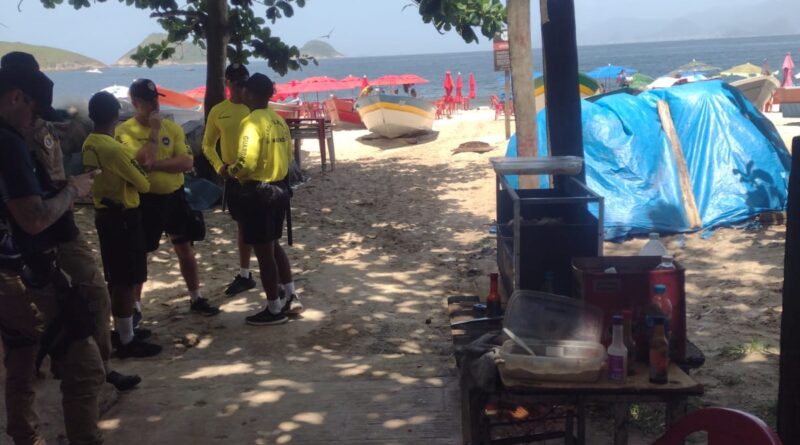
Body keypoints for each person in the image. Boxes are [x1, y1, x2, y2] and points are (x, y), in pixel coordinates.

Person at [1, 50, 143, 388]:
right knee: (92, 298)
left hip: (46, 226)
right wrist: (73, 190)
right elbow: (35, 191)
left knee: (48, 311)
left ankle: (56, 364)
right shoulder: (16, 135)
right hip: (49, 228)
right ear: (18, 92)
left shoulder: (34, 124)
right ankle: (96, 370)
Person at [0, 64, 104, 445]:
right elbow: (34, 219)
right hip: (24, 272)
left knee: (22, 360)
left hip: (9, 275)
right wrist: (73, 189)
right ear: (16, 97)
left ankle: (25, 436)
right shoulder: (8, 142)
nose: (36, 122)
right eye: (35, 112)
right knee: (85, 366)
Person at [115, 79, 220, 321]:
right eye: (148, 100)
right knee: (139, 254)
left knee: (185, 249)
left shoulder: (172, 128)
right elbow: (140, 162)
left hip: (174, 198)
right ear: (135, 103)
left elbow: (186, 162)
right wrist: (153, 132)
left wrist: (158, 165)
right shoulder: (125, 131)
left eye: (156, 99)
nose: (154, 104)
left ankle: (196, 297)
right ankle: (136, 308)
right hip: (144, 201)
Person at [84, 91, 163, 359]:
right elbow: (143, 181)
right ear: (116, 115)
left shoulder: (90, 143)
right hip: (123, 216)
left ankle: (119, 329)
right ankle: (126, 339)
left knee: (116, 278)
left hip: (104, 213)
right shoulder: (113, 147)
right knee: (128, 280)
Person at [231, 73, 303, 326]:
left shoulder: (251, 122)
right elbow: (288, 155)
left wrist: (231, 171)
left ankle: (274, 308)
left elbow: (246, 162)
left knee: (264, 253)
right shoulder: (278, 120)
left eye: (244, 91)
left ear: (250, 94)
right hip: (280, 189)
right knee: (274, 246)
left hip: (258, 191)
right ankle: (291, 293)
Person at [201, 63, 257, 296]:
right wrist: (218, 166)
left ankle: (280, 285)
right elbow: (207, 144)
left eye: (243, 83)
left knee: (264, 231)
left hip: (257, 177)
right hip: (233, 178)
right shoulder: (218, 111)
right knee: (243, 226)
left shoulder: (255, 107)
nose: (239, 88)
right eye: (235, 83)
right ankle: (245, 274)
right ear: (227, 83)